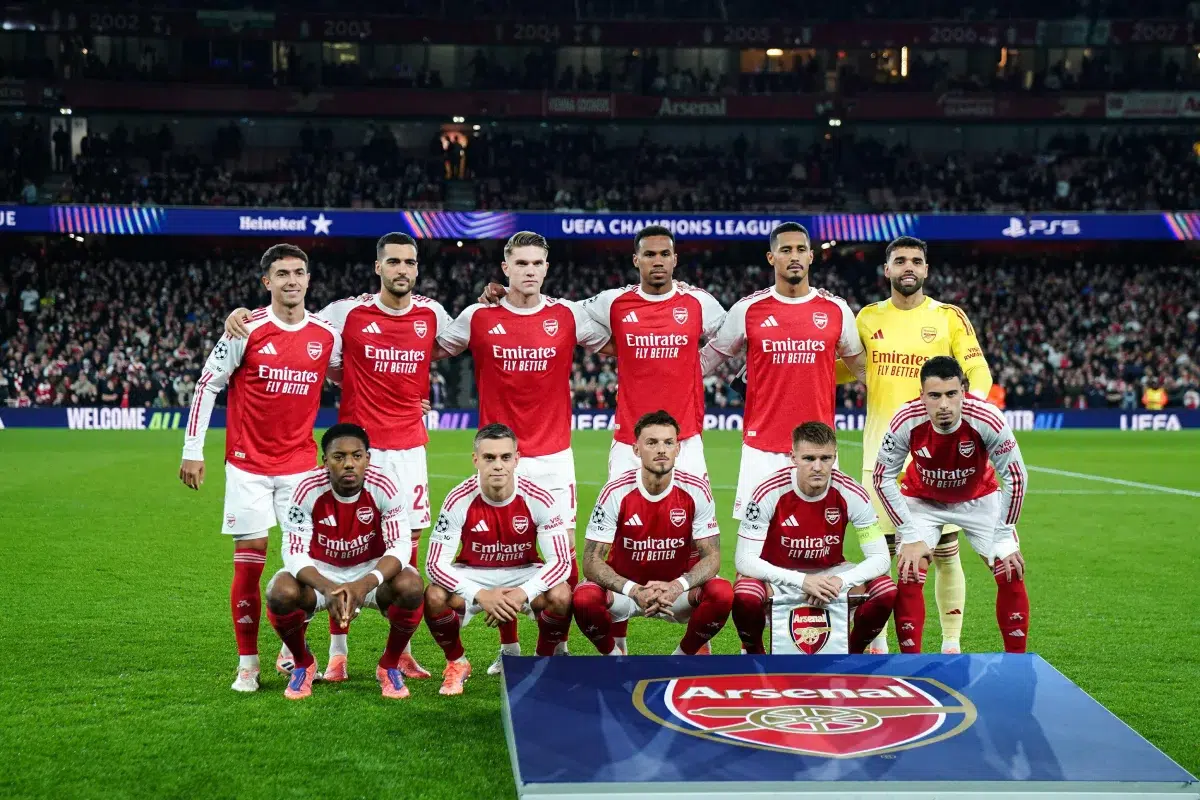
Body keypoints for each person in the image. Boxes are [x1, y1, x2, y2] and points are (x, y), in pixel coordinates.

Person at [226, 232, 447, 681]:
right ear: (378, 266)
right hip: (356, 446)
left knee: (407, 552)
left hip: (408, 449)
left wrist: (409, 397)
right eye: (393, 262)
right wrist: (242, 315)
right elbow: (301, 333)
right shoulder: (345, 311)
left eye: (410, 262)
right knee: (337, 543)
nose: (402, 269)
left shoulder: (433, 313)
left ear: (417, 268)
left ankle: (400, 652)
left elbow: (456, 344)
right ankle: (337, 652)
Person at [437, 231, 609, 673]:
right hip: (501, 454)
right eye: (522, 263)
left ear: (546, 269)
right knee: (504, 550)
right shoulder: (477, 316)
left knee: (562, 554)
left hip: (553, 455)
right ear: (506, 269)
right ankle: (509, 649)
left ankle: (557, 645)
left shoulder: (568, 315)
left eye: (537, 263)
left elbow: (617, 339)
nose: (530, 271)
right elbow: (430, 349)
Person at [179, 243, 342, 692]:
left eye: (299, 272)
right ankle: (247, 663)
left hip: (299, 469)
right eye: (282, 273)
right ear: (266, 281)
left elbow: (354, 378)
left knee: (303, 565)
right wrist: (193, 450)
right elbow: (206, 385)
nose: (292, 280)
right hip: (248, 466)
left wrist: (409, 399)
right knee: (248, 566)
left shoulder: (326, 334)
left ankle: (292, 647)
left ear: (309, 280)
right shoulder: (245, 328)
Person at [843, 235, 993, 655]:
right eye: (900, 261)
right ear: (886, 269)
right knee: (882, 555)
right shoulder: (868, 319)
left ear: (926, 270)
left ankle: (950, 644)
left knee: (944, 552)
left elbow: (978, 372)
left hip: (935, 459)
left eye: (916, 261)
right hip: (879, 459)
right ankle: (880, 642)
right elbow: (839, 368)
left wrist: (971, 415)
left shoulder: (948, 317)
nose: (908, 267)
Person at [700, 222, 866, 522]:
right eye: (786, 250)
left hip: (818, 448)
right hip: (761, 446)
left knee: (819, 544)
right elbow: (705, 361)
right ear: (771, 257)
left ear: (811, 257)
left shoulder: (836, 309)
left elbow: (862, 369)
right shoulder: (747, 310)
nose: (794, 256)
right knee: (754, 548)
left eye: (801, 249)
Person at [873, 356, 1029, 654]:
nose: (943, 404)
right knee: (909, 569)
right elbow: (883, 477)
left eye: (951, 394)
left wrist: (1004, 534)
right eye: (934, 396)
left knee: (1010, 568)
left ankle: (1016, 661)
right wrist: (910, 534)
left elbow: (1016, 477)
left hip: (979, 499)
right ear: (922, 396)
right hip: (923, 501)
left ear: (964, 391)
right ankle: (911, 664)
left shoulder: (987, 418)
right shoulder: (906, 418)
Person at [267, 423, 425, 700]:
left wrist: (364, 584)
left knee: (411, 586)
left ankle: (389, 666)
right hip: (321, 574)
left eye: (357, 455)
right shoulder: (306, 488)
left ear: (368, 458)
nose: (349, 464)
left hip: (370, 572)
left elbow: (400, 546)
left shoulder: (384, 485)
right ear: (325, 461)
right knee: (280, 592)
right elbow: (293, 551)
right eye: (339, 457)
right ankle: (303, 663)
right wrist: (327, 588)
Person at [423, 424, 574, 696]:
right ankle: (457, 663)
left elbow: (561, 562)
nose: (498, 466)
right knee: (434, 596)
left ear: (517, 459)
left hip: (523, 572)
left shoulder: (539, 497)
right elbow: (434, 564)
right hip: (474, 573)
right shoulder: (458, 498)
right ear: (476, 460)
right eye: (489, 458)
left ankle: (540, 661)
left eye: (505, 457)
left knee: (562, 594)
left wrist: (521, 593)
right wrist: (480, 594)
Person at [572, 410, 733, 656]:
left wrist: (677, 586)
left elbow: (712, 557)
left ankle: (682, 657)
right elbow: (591, 561)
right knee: (583, 599)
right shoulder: (615, 492)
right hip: (625, 591)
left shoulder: (696, 489)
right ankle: (614, 659)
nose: (661, 449)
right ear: (636, 450)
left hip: (676, 591)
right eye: (652, 442)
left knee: (722, 593)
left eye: (668, 442)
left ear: (678, 449)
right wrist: (635, 591)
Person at [731, 421, 895, 654]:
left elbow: (880, 558)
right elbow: (744, 560)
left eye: (825, 458)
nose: (818, 467)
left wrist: (841, 581)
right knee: (745, 593)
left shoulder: (851, 492)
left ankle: (853, 651)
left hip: (830, 577)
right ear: (793, 457)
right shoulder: (768, 491)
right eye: (809, 458)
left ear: (834, 458)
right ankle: (754, 652)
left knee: (885, 589)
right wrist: (801, 581)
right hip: (778, 578)